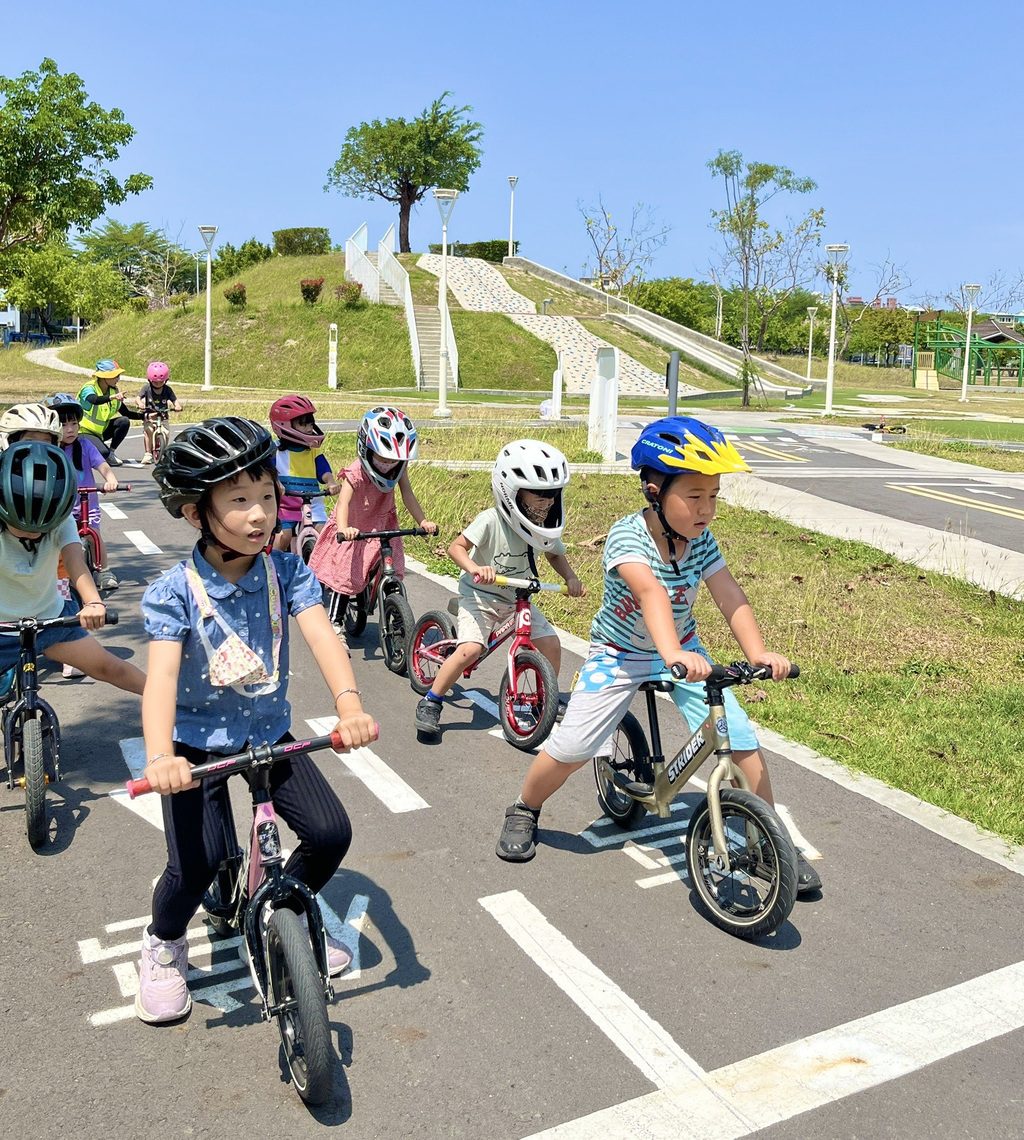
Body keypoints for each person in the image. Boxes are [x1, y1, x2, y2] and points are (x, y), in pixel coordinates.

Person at [494, 416, 822, 897]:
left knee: (741, 739)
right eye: (694, 496)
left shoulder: (702, 541)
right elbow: (650, 593)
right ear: (654, 491)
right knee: (574, 746)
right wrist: (672, 653)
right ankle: (525, 807)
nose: (706, 508)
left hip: (684, 650)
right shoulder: (627, 536)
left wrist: (758, 653)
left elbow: (729, 594)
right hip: (620, 653)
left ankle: (769, 845)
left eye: (713, 496)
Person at [135, 416, 376, 1025]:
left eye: (267, 496)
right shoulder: (174, 591)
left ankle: (285, 907)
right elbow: (161, 678)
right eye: (238, 500)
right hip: (195, 744)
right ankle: (162, 943)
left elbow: (321, 636)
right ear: (196, 513)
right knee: (197, 863)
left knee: (329, 833)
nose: (260, 514)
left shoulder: (286, 573)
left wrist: (349, 705)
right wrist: (161, 756)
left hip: (268, 732)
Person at [413, 438, 584, 739]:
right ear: (511, 492)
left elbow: (555, 554)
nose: (546, 503)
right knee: (470, 650)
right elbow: (456, 548)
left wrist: (570, 577)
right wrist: (475, 568)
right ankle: (432, 700)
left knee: (551, 644)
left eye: (552, 496)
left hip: (518, 597)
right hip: (480, 596)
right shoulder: (491, 520)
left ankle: (546, 697)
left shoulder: (542, 525)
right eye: (539, 495)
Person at [0, 440, 147, 694]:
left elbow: (74, 563)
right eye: (20, 527)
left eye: (44, 528)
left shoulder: (62, 520)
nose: (34, 534)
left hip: (50, 621)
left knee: (111, 668)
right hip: (3, 630)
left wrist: (94, 602)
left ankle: (182, 706)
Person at [309, 405, 437, 632]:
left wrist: (423, 521)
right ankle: (335, 624)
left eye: (393, 459)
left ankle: (399, 619)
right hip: (355, 528)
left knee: (393, 569)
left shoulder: (399, 468)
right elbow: (343, 503)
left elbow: (408, 494)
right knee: (345, 577)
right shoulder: (356, 471)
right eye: (382, 457)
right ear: (366, 448)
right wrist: (344, 528)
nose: (388, 464)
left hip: (383, 525)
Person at [47, 393, 121, 595]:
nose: (70, 429)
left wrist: (110, 479)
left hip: (87, 504)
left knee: (94, 533)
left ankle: (103, 570)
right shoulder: (51, 450)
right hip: (62, 508)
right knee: (60, 541)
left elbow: (102, 466)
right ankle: (62, 579)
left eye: (73, 423)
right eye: (63, 425)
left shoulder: (85, 445)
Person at [269, 395, 339, 551]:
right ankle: (272, 562)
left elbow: (324, 471)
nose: (309, 428)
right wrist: (276, 483)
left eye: (310, 423)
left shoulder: (313, 451)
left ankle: (321, 565)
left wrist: (331, 482)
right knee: (284, 536)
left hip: (312, 503)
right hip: (286, 505)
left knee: (324, 536)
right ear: (284, 425)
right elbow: (269, 472)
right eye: (302, 424)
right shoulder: (275, 451)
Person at [77, 358, 143, 466]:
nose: (118, 378)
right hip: (83, 432)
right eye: (115, 376)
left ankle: (111, 452)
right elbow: (94, 400)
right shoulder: (89, 388)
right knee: (103, 453)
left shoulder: (113, 391)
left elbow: (126, 413)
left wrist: (146, 416)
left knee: (124, 421)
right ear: (105, 376)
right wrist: (111, 397)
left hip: (100, 433)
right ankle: (86, 449)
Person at [134, 362, 182, 464]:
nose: (158, 384)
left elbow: (174, 400)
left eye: (161, 382)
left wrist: (177, 406)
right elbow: (138, 398)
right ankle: (148, 453)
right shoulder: (146, 388)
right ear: (150, 380)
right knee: (148, 430)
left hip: (163, 416)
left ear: (166, 380)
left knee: (166, 432)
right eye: (155, 382)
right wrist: (140, 404)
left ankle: (162, 451)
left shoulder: (168, 390)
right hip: (150, 416)